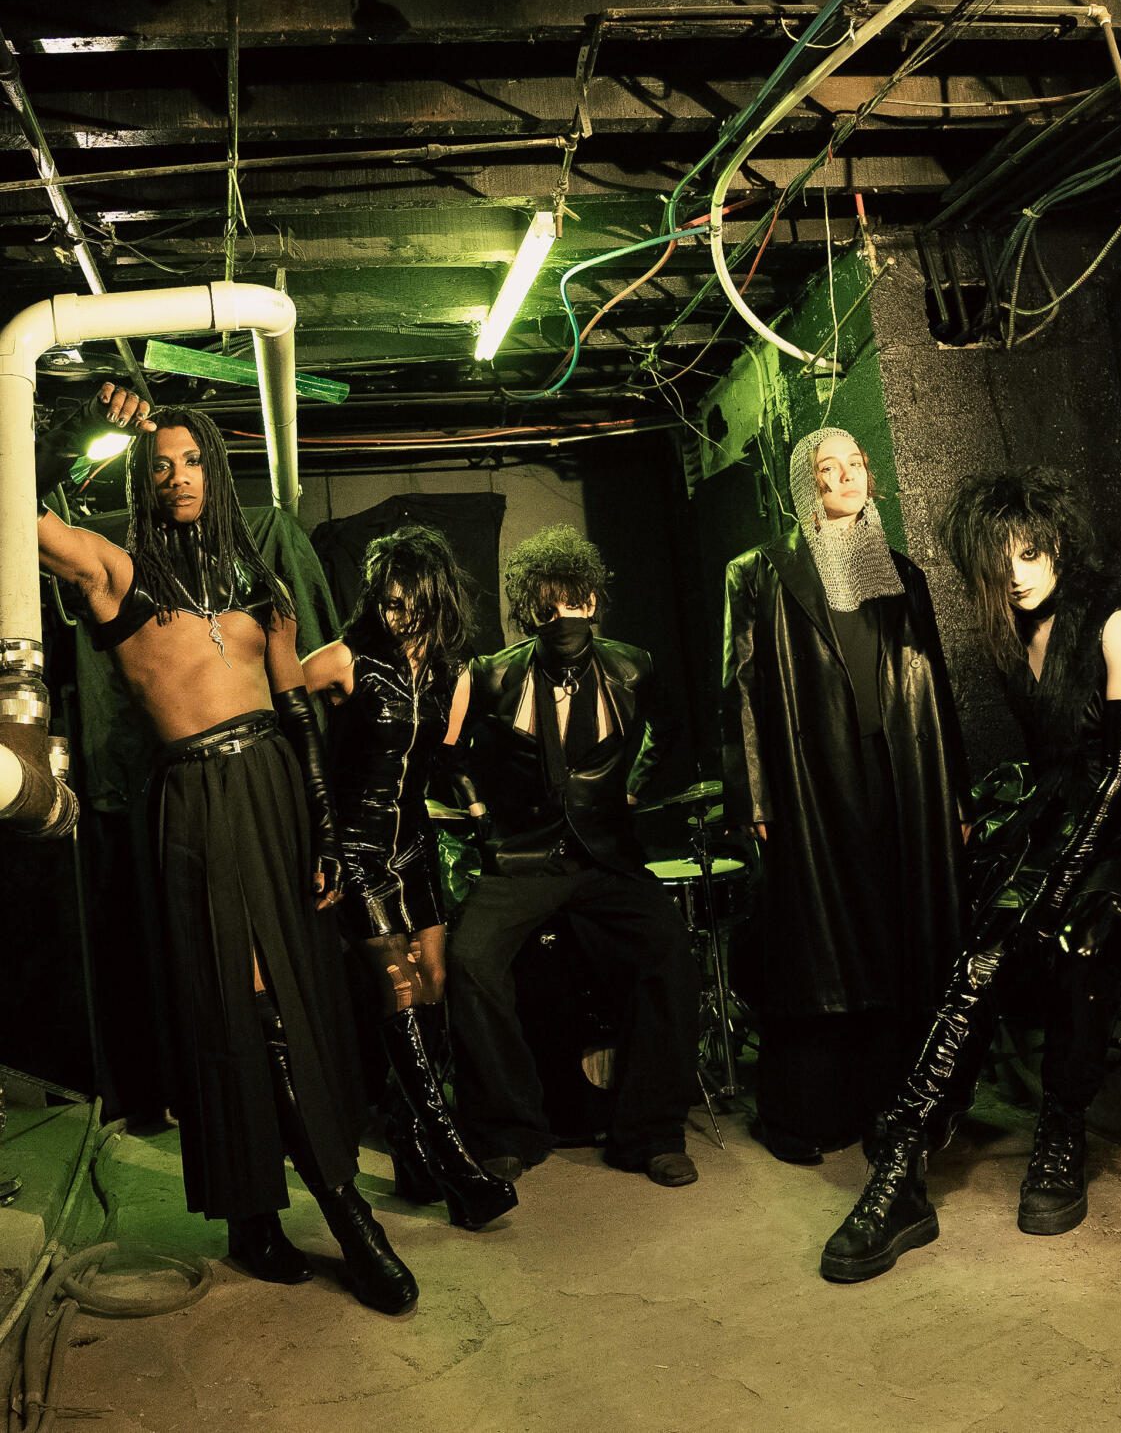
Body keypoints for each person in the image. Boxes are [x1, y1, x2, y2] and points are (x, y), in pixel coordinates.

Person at [35, 384, 418, 1315]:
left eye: (193, 460)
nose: (178, 477)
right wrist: (71, 427)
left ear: (217, 469)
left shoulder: (259, 582)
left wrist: (326, 827)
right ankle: (343, 1216)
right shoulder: (115, 573)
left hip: (277, 788)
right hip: (197, 796)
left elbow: (295, 707)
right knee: (239, 1002)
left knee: (301, 998)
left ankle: (257, 1219)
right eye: (161, 465)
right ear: (144, 479)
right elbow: (15, 514)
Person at [820, 468, 1121, 1283]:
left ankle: (1061, 1133)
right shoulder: (1014, 640)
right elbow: (1059, 773)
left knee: (1081, 939)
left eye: (1031, 553)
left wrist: (1056, 886)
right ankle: (904, 1166)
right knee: (983, 951)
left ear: (1059, 544)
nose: (1019, 575)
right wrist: (1032, 873)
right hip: (1073, 827)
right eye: (1001, 563)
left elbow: (1120, 779)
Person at [722, 428, 968, 1165]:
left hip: (900, 775)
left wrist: (955, 797)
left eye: (854, 465)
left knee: (894, 937)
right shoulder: (759, 571)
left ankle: (886, 1108)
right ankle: (802, 1116)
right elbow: (740, 688)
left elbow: (935, 686)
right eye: (826, 470)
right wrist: (755, 796)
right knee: (819, 945)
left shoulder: (901, 573)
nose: (845, 479)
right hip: (811, 775)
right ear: (807, 485)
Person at [444, 524, 701, 1187]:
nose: (565, 617)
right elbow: (452, 753)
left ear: (594, 601)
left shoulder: (633, 665)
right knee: (469, 961)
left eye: (576, 601)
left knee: (669, 951)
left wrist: (635, 785)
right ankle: (508, 1129)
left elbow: (669, 728)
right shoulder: (493, 674)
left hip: (606, 855)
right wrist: (477, 809)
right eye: (549, 605)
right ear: (530, 609)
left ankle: (652, 1132)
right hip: (523, 856)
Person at [302, 526, 517, 1229]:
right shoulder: (345, 660)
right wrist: (315, 831)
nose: (399, 617)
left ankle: (408, 1145)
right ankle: (456, 1164)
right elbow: (281, 712)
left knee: (433, 989)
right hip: (358, 850)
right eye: (389, 603)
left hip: (415, 849)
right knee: (398, 990)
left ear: (438, 600)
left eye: (413, 604)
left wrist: (478, 810)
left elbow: (441, 760)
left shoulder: (456, 676)